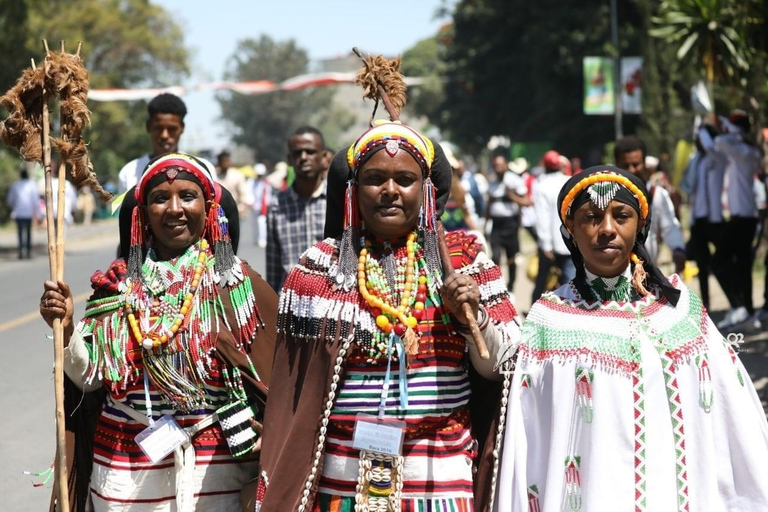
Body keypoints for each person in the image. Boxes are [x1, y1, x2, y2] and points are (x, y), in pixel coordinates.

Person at [256, 60, 521, 511]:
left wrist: (470, 316)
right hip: (342, 480)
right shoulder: (316, 271)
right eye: (375, 179)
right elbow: (295, 393)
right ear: (353, 192)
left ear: (427, 191)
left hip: (440, 475)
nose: (390, 190)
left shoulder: (466, 259)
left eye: (405, 180)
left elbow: (503, 367)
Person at [496, 165, 768, 512]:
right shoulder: (548, 320)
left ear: (640, 225)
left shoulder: (679, 310)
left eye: (621, 215)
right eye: (591, 217)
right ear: (571, 231)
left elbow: (732, 420)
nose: (607, 229)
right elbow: (529, 438)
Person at [39, 153, 278, 511]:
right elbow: (90, 381)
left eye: (187, 196)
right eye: (160, 198)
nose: (175, 209)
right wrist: (68, 326)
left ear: (209, 207)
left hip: (215, 473)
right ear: (143, 214)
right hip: (124, 472)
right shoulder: (116, 285)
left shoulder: (236, 281)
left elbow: (275, 381)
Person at [711, 110, 763, 329]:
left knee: (718, 261)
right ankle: (747, 312)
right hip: (743, 216)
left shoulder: (743, 150)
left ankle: (739, 305)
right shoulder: (744, 149)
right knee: (742, 266)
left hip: (744, 217)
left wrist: (726, 129)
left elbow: (719, 140)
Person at [265, 126, 328, 291]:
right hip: (289, 304)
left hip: (330, 304)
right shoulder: (278, 205)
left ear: (323, 157)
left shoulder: (338, 202)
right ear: (289, 160)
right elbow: (273, 268)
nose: (304, 157)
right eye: (297, 153)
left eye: (310, 151)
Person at [614, 136, 686, 273]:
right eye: (626, 166)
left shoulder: (656, 194)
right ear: (617, 164)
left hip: (648, 273)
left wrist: (678, 248)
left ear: (644, 163)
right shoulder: (606, 197)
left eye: (636, 164)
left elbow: (669, 225)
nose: (631, 170)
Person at [680, 124, 727, 310]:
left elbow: (710, 146)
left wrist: (703, 129)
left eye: (700, 137)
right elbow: (688, 185)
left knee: (721, 261)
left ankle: (736, 300)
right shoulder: (696, 159)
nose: (697, 142)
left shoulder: (718, 157)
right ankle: (706, 302)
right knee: (701, 262)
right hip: (698, 220)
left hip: (714, 219)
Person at [117, 93, 187, 193]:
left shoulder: (202, 169)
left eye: (172, 129)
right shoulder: (129, 173)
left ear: (182, 128)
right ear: (148, 126)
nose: (164, 135)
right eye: (158, 128)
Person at [531, 150, 575, 302]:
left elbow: (542, 217)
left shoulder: (540, 185)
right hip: (570, 241)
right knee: (570, 281)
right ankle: (569, 310)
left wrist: (546, 244)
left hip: (550, 243)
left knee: (542, 279)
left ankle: (534, 310)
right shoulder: (570, 181)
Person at [487, 152, 531, 292]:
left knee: (512, 257)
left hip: (511, 224)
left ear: (506, 165)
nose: (497, 168)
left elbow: (527, 202)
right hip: (496, 224)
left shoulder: (515, 181)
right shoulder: (492, 183)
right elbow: (489, 204)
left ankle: (511, 286)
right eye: (495, 166)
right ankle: (496, 286)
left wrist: (512, 196)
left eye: (500, 165)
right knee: (495, 256)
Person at [7, 168, 39, 259]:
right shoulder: (32, 185)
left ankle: (21, 249)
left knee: (20, 233)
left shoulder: (15, 185)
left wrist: (13, 208)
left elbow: (10, 200)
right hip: (28, 213)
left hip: (19, 213)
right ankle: (28, 251)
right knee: (28, 233)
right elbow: (35, 201)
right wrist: (37, 213)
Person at [216, 150, 254, 215]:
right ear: (219, 162)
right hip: (218, 211)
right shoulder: (214, 175)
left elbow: (243, 193)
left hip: (233, 210)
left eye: (226, 161)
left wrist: (243, 208)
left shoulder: (237, 175)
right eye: (223, 161)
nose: (225, 163)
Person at [251, 163, 271, 248]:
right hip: (255, 206)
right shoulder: (252, 182)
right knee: (255, 223)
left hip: (263, 207)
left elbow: (267, 195)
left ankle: (262, 239)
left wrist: (266, 205)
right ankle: (256, 238)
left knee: (262, 223)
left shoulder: (266, 183)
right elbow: (249, 193)